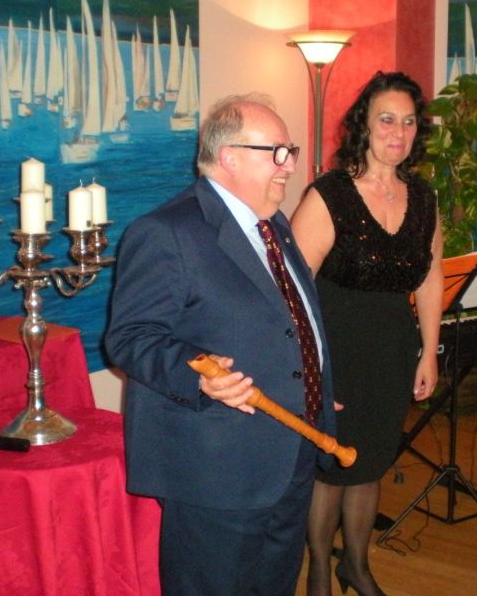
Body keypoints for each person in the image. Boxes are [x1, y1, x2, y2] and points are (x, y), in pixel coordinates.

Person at [105, 94, 336, 596]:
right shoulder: (166, 232)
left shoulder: (273, 225)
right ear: (229, 156)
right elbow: (129, 337)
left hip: (290, 448)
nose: (290, 165)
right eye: (277, 152)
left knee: (275, 584)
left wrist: (313, 387)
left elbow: (290, 323)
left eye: (290, 151)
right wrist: (198, 375)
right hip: (216, 466)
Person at [290, 71, 444, 596]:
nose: (398, 132)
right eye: (387, 119)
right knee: (331, 466)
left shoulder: (422, 196)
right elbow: (293, 294)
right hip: (336, 348)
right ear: (364, 125)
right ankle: (318, 572)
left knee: (372, 461)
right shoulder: (329, 195)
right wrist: (311, 372)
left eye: (408, 121)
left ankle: (355, 566)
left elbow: (430, 277)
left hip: (393, 348)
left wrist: (428, 353)